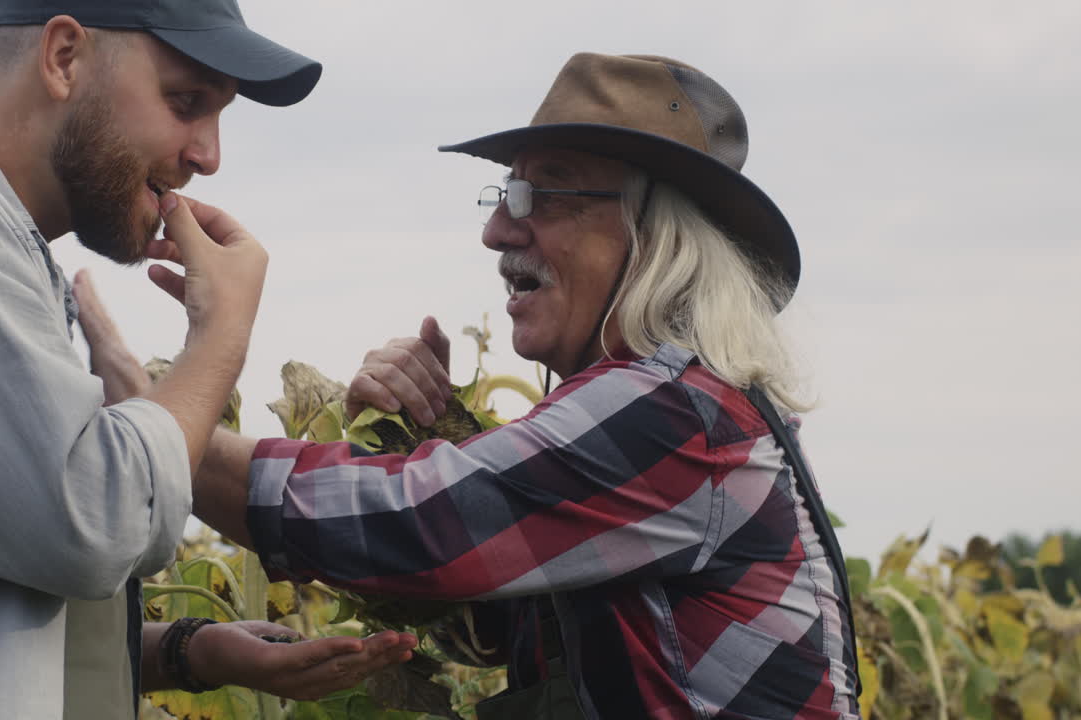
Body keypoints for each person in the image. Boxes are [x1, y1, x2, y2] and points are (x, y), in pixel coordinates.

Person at [77, 53, 862, 719]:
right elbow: (491, 634)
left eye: (545, 194)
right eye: (504, 195)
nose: (497, 230)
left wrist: (155, 417)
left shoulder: (676, 415)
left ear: (655, 235)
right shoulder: (681, 411)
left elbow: (412, 525)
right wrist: (435, 434)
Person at [0, 1, 414, 718]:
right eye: (186, 102)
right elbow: (94, 525)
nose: (209, 156)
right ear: (63, 57)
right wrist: (220, 336)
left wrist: (195, 650)